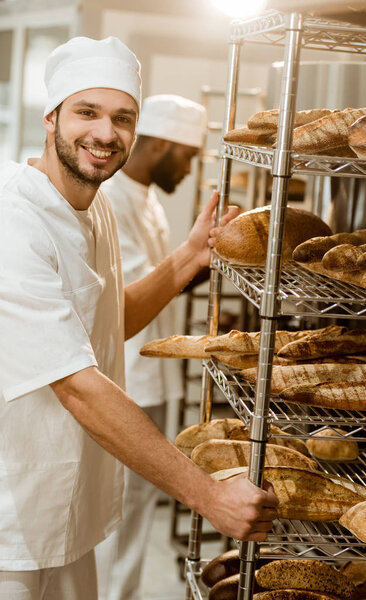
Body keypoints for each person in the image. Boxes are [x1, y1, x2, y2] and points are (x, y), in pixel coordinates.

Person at [0, 36, 278, 600]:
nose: (105, 133)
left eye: (122, 117)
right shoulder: (14, 220)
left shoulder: (93, 204)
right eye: (87, 112)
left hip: (68, 513)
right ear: (51, 116)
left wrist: (189, 257)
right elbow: (77, 386)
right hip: (12, 521)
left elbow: (109, 321)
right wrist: (207, 495)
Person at [95, 94, 207, 600]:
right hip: (126, 381)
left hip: (151, 378)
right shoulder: (110, 197)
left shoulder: (148, 199)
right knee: (118, 507)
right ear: (161, 144)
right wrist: (198, 259)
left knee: (135, 505)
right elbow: (136, 292)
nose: (188, 171)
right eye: (186, 157)